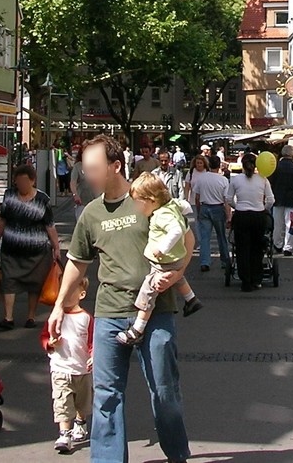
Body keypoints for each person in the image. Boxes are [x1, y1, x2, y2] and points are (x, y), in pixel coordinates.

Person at [47, 135, 193, 463]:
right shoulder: (91, 214)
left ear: (116, 166)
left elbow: (187, 238)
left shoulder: (147, 199)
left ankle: (177, 454)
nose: (88, 176)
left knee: (164, 392)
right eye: (85, 169)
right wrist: (59, 305)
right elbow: (76, 263)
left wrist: (176, 271)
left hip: (155, 314)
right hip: (110, 312)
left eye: (94, 168)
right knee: (106, 396)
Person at [116, 172, 201, 345]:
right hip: (175, 259)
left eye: (138, 202)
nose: (136, 207)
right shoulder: (170, 205)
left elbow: (177, 230)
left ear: (152, 200)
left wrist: (162, 248)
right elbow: (184, 206)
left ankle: (137, 329)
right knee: (178, 279)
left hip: (164, 260)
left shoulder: (162, 215)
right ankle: (191, 299)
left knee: (148, 291)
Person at [0, 164, 59, 331]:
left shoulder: (43, 200)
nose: (20, 185)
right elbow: (2, 221)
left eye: (24, 182)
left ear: (32, 181)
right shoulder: (10, 196)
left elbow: (50, 226)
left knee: (34, 284)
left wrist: (56, 248)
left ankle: (31, 316)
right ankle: (8, 317)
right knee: (8, 281)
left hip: (37, 253)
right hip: (11, 249)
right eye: (18, 182)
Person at [42, 275, 93, 455]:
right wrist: (50, 343)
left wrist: (93, 355)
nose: (65, 296)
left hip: (82, 369)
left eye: (71, 291)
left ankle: (80, 422)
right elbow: (45, 337)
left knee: (82, 402)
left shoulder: (86, 318)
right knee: (62, 402)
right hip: (60, 368)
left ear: (82, 294)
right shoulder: (56, 315)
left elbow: (92, 340)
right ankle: (64, 434)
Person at [228, 152, 275, 291]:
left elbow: (228, 199)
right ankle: (257, 278)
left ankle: (246, 281)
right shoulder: (263, 179)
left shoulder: (236, 180)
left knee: (242, 249)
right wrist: (264, 209)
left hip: (242, 215)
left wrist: (238, 207)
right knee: (257, 248)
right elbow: (271, 200)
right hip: (258, 216)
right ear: (256, 165)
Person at [187, 154, 231, 273]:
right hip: (218, 207)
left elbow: (197, 196)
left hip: (204, 207)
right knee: (221, 236)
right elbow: (226, 200)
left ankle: (205, 262)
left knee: (205, 237)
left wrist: (199, 209)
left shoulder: (201, 178)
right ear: (219, 166)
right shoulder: (223, 180)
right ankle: (225, 261)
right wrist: (229, 216)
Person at [269, 145, 293, 256]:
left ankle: (277, 245)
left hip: (277, 198)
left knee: (277, 224)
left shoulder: (276, 167)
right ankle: (288, 247)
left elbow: (270, 181)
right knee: (290, 224)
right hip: (291, 199)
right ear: (292, 154)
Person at [70, 149, 97, 222]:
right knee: (81, 225)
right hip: (82, 201)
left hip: (96, 201)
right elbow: (73, 182)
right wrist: (75, 195)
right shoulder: (78, 166)